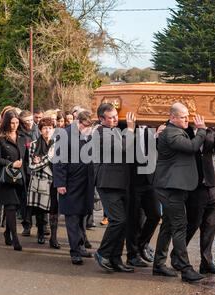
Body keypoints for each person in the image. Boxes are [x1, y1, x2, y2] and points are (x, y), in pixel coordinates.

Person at [152, 103, 206, 282]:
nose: (187, 120)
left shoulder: (175, 130)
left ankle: (159, 265)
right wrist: (202, 131)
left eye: (187, 116)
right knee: (179, 226)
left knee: (168, 225)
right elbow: (191, 147)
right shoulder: (170, 132)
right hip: (170, 187)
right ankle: (185, 269)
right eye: (183, 117)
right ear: (172, 117)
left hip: (175, 186)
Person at [170, 125, 215, 275]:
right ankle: (177, 256)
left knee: (210, 225)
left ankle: (207, 262)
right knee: (192, 224)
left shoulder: (209, 130)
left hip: (210, 182)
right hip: (193, 185)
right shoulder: (184, 131)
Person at [92, 103, 136, 273]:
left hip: (121, 181)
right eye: (110, 117)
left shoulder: (115, 130)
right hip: (108, 182)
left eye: (116, 115)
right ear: (101, 119)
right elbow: (121, 148)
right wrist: (131, 129)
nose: (115, 119)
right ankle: (102, 252)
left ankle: (116, 259)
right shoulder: (100, 132)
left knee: (123, 222)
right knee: (118, 220)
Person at [53, 110, 95, 264]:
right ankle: (75, 251)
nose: (88, 129)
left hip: (86, 181)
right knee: (72, 217)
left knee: (83, 215)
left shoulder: (89, 134)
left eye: (90, 126)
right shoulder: (65, 134)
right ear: (78, 122)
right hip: (70, 182)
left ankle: (81, 246)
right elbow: (58, 160)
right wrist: (60, 183)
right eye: (85, 126)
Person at [125, 124, 161, 268]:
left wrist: (159, 136)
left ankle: (141, 245)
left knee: (155, 215)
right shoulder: (126, 126)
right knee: (134, 220)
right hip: (132, 180)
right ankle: (132, 255)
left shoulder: (156, 128)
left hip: (150, 179)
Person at [0, 110, 27, 251]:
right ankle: (15, 238)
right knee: (10, 206)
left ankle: (7, 232)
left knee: (16, 207)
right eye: (12, 123)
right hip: (5, 178)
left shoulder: (23, 137)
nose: (14, 125)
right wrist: (11, 164)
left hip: (20, 178)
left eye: (17, 123)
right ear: (6, 123)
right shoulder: (0, 138)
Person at [27, 117, 61, 249]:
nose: (48, 131)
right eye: (45, 128)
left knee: (54, 210)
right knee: (41, 211)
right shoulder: (34, 144)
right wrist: (48, 157)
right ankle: (40, 233)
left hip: (55, 180)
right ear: (40, 130)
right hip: (40, 181)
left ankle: (54, 237)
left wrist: (40, 160)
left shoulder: (58, 144)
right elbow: (32, 166)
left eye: (50, 128)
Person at [18, 110, 40, 236]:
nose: (30, 123)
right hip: (24, 169)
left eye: (31, 120)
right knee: (25, 199)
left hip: (38, 168)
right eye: (27, 121)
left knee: (40, 198)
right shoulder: (19, 133)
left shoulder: (38, 129)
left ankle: (42, 226)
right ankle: (27, 225)